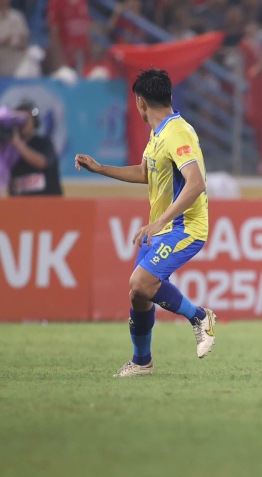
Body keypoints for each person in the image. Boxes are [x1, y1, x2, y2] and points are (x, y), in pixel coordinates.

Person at [75, 68, 216, 377]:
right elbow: (145, 172)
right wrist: (100, 169)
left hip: (185, 228)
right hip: (163, 228)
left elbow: (196, 183)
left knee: (140, 283)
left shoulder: (178, 133)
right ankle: (142, 362)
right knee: (139, 295)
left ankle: (199, 316)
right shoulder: (159, 132)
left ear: (140, 102)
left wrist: (158, 222)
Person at [3, 102, 63, 196]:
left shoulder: (44, 143)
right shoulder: (9, 150)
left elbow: (42, 162)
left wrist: (18, 143)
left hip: (48, 206)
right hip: (19, 207)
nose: (22, 124)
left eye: (25, 119)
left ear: (34, 122)